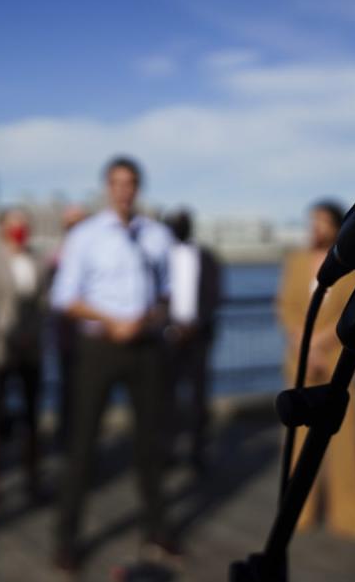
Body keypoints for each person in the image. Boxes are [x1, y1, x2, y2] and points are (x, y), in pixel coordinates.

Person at [50, 157, 179, 573]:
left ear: (138, 188)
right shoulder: (86, 236)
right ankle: (67, 540)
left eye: (132, 183)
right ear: (107, 187)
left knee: (151, 442)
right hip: (100, 348)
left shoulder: (156, 235)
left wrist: (147, 319)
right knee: (83, 444)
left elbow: (168, 293)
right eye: (117, 183)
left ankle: (156, 528)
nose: (125, 190)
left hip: (145, 347)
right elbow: (64, 297)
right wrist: (112, 322)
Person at [276, 200, 355, 541]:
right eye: (311, 220)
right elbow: (285, 306)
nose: (315, 226)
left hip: (337, 361)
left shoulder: (352, 266)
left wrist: (321, 342)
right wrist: (300, 338)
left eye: (321, 220)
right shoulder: (295, 261)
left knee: (344, 439)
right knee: (297, 437)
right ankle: (298, 514)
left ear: (336, 226)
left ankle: (349, 515)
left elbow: (353, 309)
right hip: (299, 358)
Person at [0, 207, 47, 510]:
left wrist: (35, 332)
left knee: (32, 415)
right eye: (13, 224)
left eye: (24, 224)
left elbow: (44, 302)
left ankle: (32, 477)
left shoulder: (38, 261)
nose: (19, 229)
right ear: (2, 228)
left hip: (30, 348)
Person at [163, 209, 222, 473]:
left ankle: (198, 450)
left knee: (199, 395)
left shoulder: (206, 256)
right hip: (167, 336)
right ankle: (168, 449)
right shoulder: (162, 256)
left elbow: (215, 293)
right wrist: (170, 326)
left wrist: (195, 325)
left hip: (199, 336)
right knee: (166, 396)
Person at [49, 204, 87, 451]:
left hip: (91, 337)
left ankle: (83, 442)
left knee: (87, 395)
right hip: (67, 337)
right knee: (68, 390)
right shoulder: (57, 258)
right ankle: (67, 442)